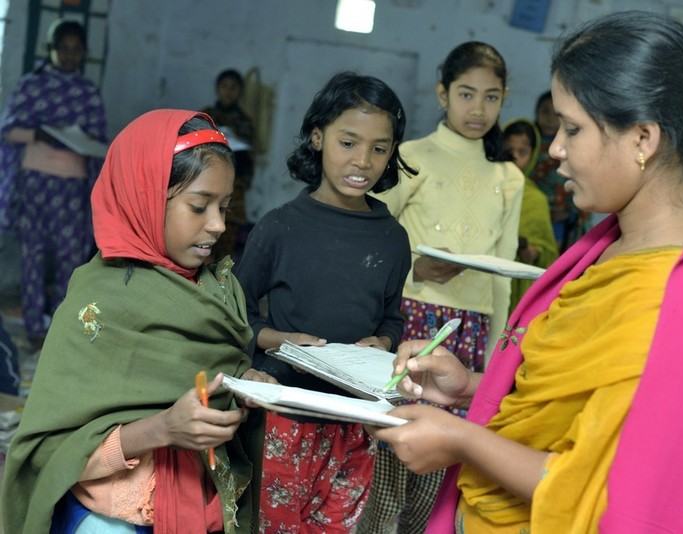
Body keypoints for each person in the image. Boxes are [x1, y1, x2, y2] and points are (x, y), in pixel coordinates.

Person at [375, 11, 683, 533]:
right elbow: (571, 408)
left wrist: (460, 438)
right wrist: (470, 389)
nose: (554, 148)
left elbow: (602, 491)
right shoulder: (616, 242)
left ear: (642, 139)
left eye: (572, 129)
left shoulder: (682, 298)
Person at [1, 109, 274, 533]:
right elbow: (51, 454)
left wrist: (247, 385)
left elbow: (218, 380)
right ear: (143, 197)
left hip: (203, 512)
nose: (218, 225)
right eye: (199, 206)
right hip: (111, 521)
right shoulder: (99, 304)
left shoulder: (220, 290)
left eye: (224, 206)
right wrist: (162, 428)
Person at [234, 72, 413, 532]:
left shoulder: (392, 239)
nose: (363, 160)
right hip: (285, 415)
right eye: (348, 142)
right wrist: (277, 339)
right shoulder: (279, 228)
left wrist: (383, 341)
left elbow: (392, 317)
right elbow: (233, 313)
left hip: (355, 419)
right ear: (317, 137)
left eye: (379, 147)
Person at [358, 42, 523, 534]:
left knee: (441, 469)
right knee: (393, 447)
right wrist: (415, 270)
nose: (478, 109)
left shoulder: (508, 177)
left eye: (491, 97)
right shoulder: (412, 157)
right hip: (413, 319)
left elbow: (504, 276)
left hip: (470, 335)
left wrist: (496, 356)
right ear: (442, 93)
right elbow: (372, 236)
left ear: (504, 99)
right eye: (466, 94)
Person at [0, 19, 107, 347]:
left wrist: (81, 140)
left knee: (70, 261)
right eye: (64, 48)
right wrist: (41, 133)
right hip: (35, 186)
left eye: (77, 50)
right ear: (52, 49)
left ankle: (62, 330)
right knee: (33, 257)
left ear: (84, 54)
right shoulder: (32, 86)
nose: (70, 55)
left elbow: (101, 145)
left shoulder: (88, 93)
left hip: (72, 192)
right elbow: (8, 131)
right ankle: (34, 328)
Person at [502, 119, 558, 311]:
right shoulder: (485, 190)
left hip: (517, 287)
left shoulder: (536, 200)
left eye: (522, 152)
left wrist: (531, 251)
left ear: (533, 154)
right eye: (508, 151)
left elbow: (549, 255)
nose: (514, 159)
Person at [202, 69, 256, 262]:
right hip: (205, 179)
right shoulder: (206, 116)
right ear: (217, 89)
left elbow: (248, 157)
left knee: (226, 236)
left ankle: (219, 285)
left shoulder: (245, 122)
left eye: (233, 88)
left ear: (240, 91)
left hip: (234, 184)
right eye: (224, 86)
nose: (228, 92)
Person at [529, 91, 587, 252]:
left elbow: (583, 182)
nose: (549, 118)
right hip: (534, 215)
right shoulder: (528, 147)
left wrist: (568, 211)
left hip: (564, 219)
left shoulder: (574, 147)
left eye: (554, 114)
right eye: (544, 112)